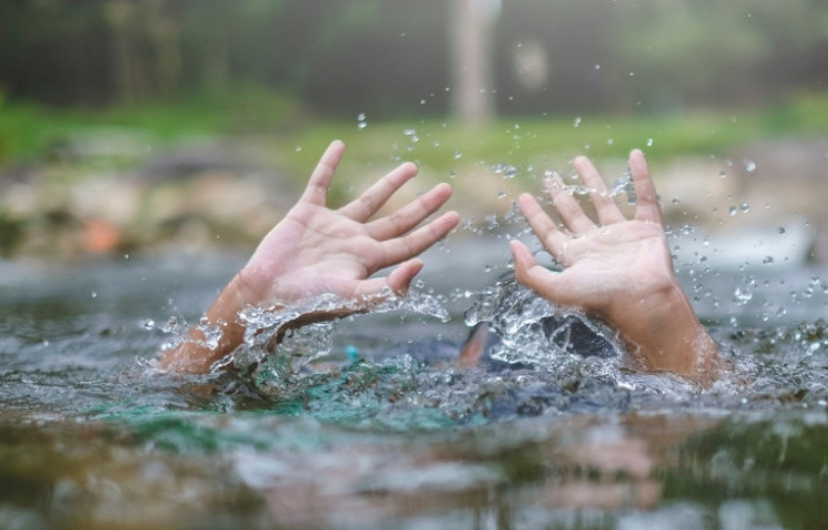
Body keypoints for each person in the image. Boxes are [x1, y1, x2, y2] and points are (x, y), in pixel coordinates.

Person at [160, 141, 719, 385]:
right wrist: (252, 298)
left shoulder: (394, 390)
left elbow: (167, 398)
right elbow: (717, 404)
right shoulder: (402, 377)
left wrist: (244, 309)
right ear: (471, 355)